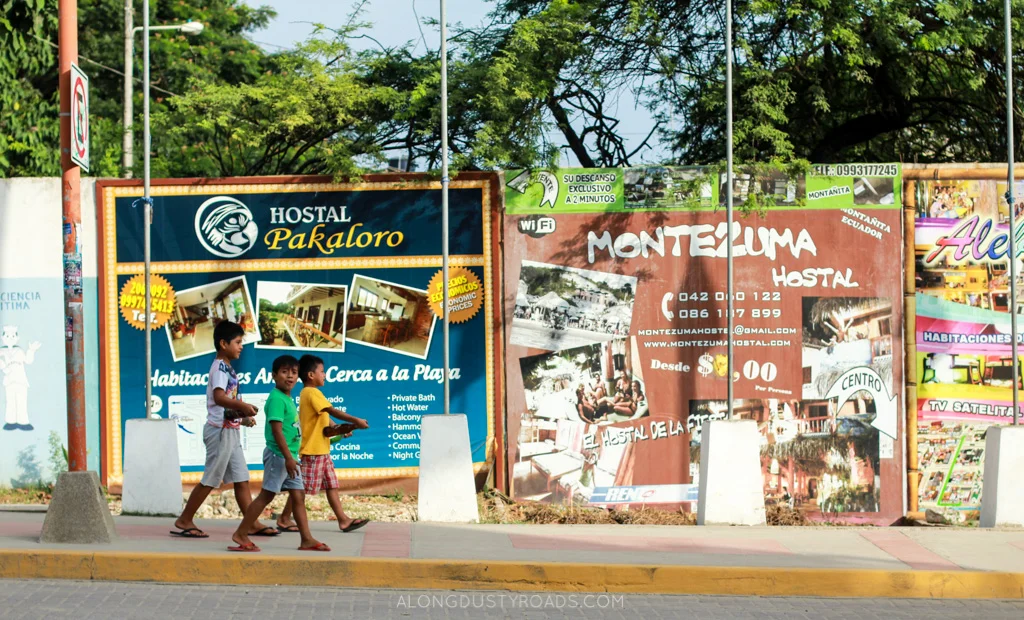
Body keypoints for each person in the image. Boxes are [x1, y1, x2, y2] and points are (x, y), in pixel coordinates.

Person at [171, 321, 275, 539]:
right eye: (237, 342)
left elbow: (226, 404)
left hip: (230, 430)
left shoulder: (227, 368)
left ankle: (251, 522)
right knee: (211, 478)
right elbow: (219, 398)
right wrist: (242, 406)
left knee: (241, 477)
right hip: (220, 432)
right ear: (223, 344)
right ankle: (185, 519)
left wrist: (242, 418)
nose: (241, 347)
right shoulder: (219, 368)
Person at [229, 355, 328, 552]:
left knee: (298, 496)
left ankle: (306, 539)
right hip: (279, 456)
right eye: (284, 372)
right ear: (274, 375)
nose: (289, 376)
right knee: (266, 495)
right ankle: (241, 533)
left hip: (290, 457)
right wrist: (289, 458)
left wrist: (292, 457)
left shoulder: (287, 398)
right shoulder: (276, 399)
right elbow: (277, 430)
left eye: (293, 373)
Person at [293, 354, 370, 533]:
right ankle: (284, 517)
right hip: (313, 451)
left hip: (322, 450)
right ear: (311, 375)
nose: (324, 375)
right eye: (322, 371)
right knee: (301, 489)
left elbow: (326, 417)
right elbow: (331, 410)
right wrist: (356, 420)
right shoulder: (312, 392)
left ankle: (343, 520)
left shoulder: (309, 393)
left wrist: (341, 429)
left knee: (331, 485)